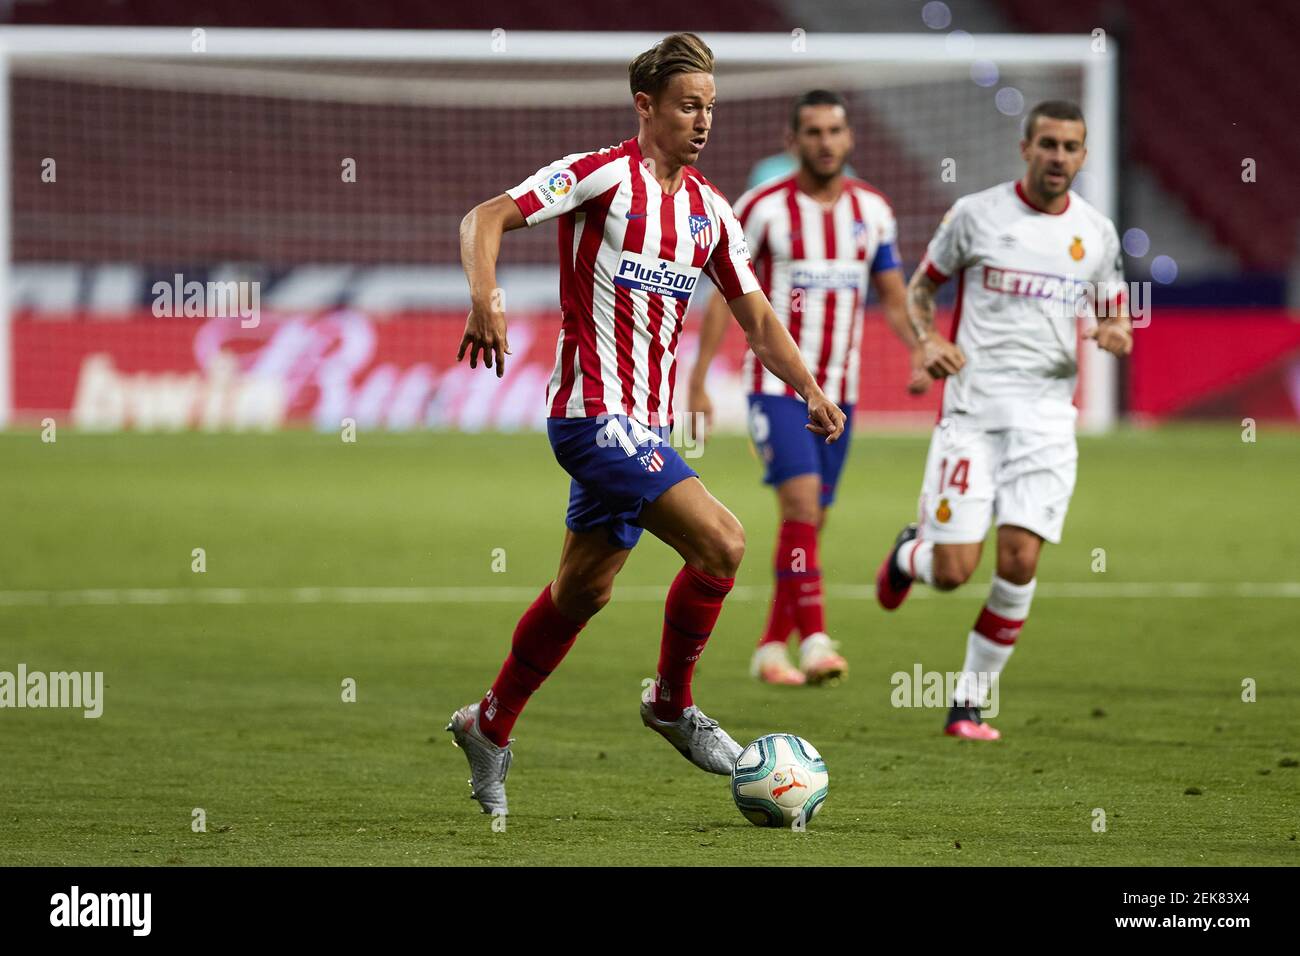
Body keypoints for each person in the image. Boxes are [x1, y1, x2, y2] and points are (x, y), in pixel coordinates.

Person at [448, 33, 846, 816]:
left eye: (711, 108)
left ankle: (488, 724)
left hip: (648, 427)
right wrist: (485, 297)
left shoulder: (709, 211)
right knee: (724, 542)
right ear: (647, 106)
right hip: (591, 414)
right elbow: (486, 217)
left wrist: (808, 387)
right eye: (689, 106)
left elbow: (756, 316)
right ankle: (670, 702)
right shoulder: (599, 175)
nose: (703, 121)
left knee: (583, 591)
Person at [874, 100, 1133, 740]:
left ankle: (968, 703)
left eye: (1070, 147)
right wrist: (928, 343)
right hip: (972, 415)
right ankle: (911, 555)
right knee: (955, 570)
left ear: (1083, 155)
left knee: (1018, 562)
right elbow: (920, 288)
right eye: (1047, 144)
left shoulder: (1096, 233)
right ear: (1026, 148)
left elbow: (1114, 308)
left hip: (1047, 421)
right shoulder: (975, 216)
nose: (1058, 157)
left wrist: (1115, 329)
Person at [689, 90, 928, 686]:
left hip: (841, 392)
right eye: (814, 132)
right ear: (792, 141)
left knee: (811, 523)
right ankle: (817, 640)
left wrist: (921, 347)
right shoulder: (762, 207)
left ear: (849, 139)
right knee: (800, 506)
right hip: (777, 390)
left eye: (835, 131)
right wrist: (696, 380)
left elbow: (894, 299)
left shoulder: (872, 210)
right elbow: (725, 293)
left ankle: (771, 648)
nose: (826, 142)